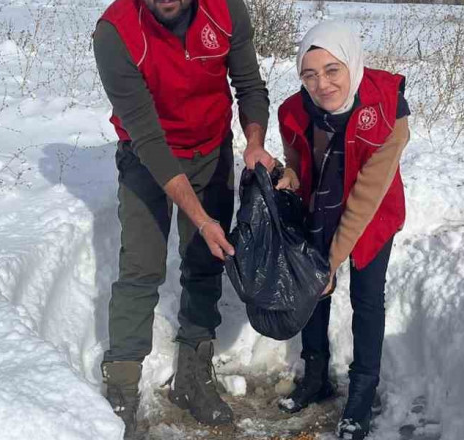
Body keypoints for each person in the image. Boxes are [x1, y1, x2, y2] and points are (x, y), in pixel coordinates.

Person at [92, 0, 274, 436]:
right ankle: (121, 387)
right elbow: (148, 137)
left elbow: (249, 86)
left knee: (205, 262)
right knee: (141, 265)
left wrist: (253, 142)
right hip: (146, 154)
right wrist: (200, 215)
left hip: (210, 147)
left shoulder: (226, 10)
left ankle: (194, 372)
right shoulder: (115, 33)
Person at [274, 21, 411, 440]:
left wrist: (331, 262)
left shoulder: (388, 111)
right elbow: (297, 159)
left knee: (367, 298)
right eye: (309, 74)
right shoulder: (292, 111)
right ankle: (316, 377)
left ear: (352, 64)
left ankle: (362, 394)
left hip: (373, 213)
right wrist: (290, 177)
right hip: (320, 206)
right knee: (314, 292)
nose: (322, 84)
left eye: (332, 70)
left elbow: (366, 197)